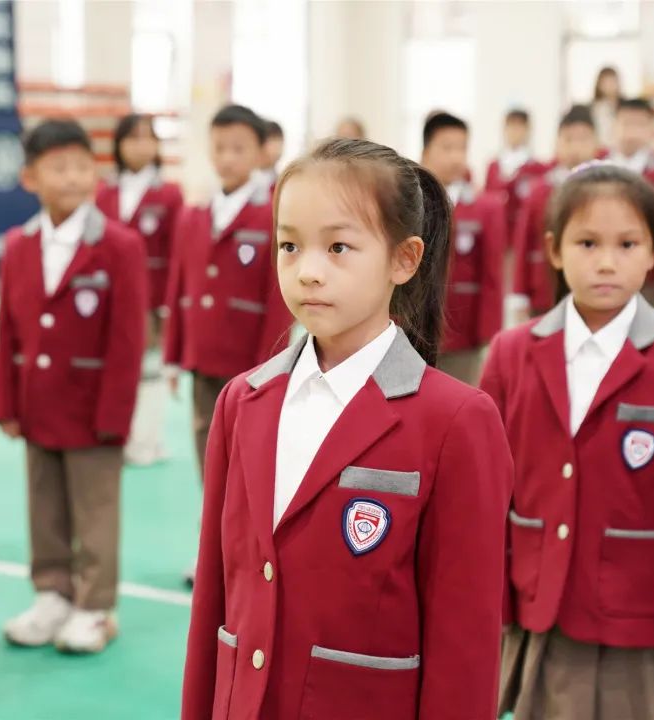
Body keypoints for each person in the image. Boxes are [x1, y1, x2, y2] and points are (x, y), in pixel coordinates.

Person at [181, 137, 513, 720]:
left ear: (404, 260)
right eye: (289, 245)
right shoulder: (243, 401)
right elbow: (215, 596)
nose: (308, 272)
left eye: (338, 247)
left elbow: (466, 637)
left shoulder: (455, 420)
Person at [484, 163, 654, 720]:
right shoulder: (510, 353)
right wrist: (493, 598)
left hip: (641, 616)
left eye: (627, 244)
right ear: (553, 250)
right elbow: (489, 494)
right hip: (537, 599)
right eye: (587, 242)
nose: (605, 261)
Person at [0, 119, 148, 654]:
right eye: (59, 167)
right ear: (30, 177)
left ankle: (95, 606)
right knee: (46, 505)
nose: (74, 177)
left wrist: (115, 415)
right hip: (39, 406)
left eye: (83, 165)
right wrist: (6, 404)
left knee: (95, 509)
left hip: (93, 411)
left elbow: (128, 340)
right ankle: (52, 594)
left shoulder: (120, 245)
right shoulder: (18, 245)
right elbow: (7, 331)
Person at [162, 104, 291, 485]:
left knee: (248, 446)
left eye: (238, 148)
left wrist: (271, 365)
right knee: (206, 440)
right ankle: (212, 528)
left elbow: (279, 301)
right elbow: (178, 286)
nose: (227, 157)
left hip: (250, 361)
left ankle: (242, 534)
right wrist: (172, 355)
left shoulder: (273, 214)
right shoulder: (195, 214)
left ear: (260, 153)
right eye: (219, 148)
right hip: (202, 355)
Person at [95, 113, 184, 466]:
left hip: (152, 303)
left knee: (150, 372)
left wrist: (166, 307)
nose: (140, 145)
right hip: (106, 300)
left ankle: (146, 441)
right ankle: (117, 433)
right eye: (132, 138)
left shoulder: (170, 194)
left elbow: (177, 256)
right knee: (115, 369)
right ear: (118, 144)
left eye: (147, 137)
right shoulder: (105, 193)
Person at [421, 112, 506, 383]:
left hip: (464, 330)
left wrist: (488, 331)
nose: (456, 157)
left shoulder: (484, 208)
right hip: (414, 327)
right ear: (425, 151)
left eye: (462, 148)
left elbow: (492, 272)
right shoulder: (408, 203)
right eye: (447, 148)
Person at [513, 105, 599, 318]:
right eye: (568, 139)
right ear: (557, 143)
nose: (576, 148)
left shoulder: (606, 191)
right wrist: (520, 294)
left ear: (596, 144)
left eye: (583, 139)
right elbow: (524, 242)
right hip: (545, 291)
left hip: (592, 291)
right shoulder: (539, 190)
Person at [608, 97, 654, 304]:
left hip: (649, 273)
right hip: (606, 266)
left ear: (651, 129)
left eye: (639, 125)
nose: (631, 132)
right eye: (625, 123)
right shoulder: (598, 168)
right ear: (614, 126)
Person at [485, 108, 547, 243]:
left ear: (527, 130)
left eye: (520, 126)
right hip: (496, 231)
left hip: (523, 233)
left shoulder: (536, 167)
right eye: (511, 126)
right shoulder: (494, 165)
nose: (515, 131)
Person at [590, 66, 623, 149]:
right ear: (599, 85)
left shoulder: (625, 107)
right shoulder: (595, 108)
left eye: (612, 81)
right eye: (606, 82)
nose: (610, 85)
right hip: (601, 149)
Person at [255, 119, 285, 190]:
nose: (278, 149)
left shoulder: (280, 180)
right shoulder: (248, 180)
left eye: (281, 142)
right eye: (274, 140)